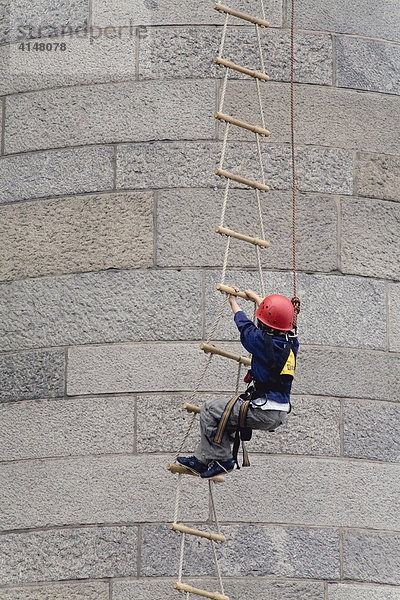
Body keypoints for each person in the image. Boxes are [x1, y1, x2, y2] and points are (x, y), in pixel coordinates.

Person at [177, 288, 299, 478]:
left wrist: (233, 302)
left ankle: (223, 459)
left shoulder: (259, 340)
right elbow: (277, 318)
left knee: (210, 409)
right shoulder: (292, 343)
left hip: (263, 410)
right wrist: (259, 299)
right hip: (280, 412)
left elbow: (245, 326)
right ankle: (202, 459)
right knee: (225, 416)